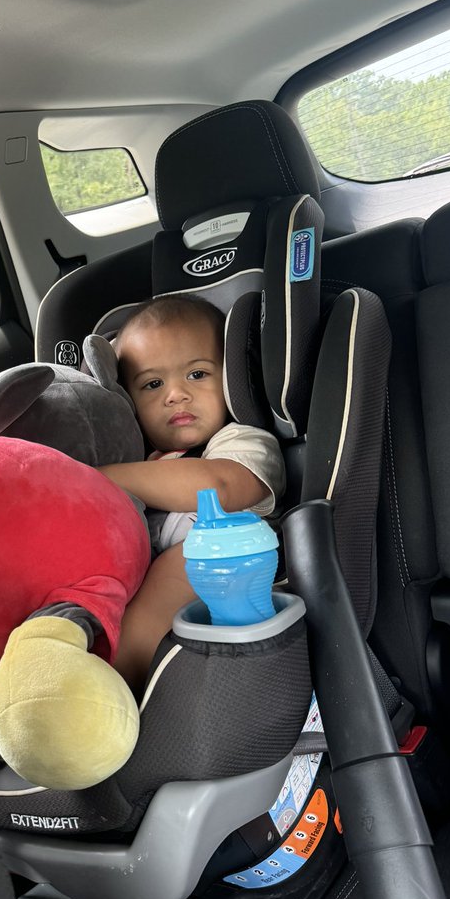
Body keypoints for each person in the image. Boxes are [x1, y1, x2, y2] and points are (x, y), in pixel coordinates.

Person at [98, 294, 284, 691]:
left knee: (185, 560)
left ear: (231, 379)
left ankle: (119, 674)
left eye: (197, 374)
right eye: (153, 384)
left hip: (231, 581)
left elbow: (219, 486)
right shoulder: (141, 457)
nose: (175, 395)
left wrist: (103, 477)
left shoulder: (242, 440)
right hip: (132, 576)